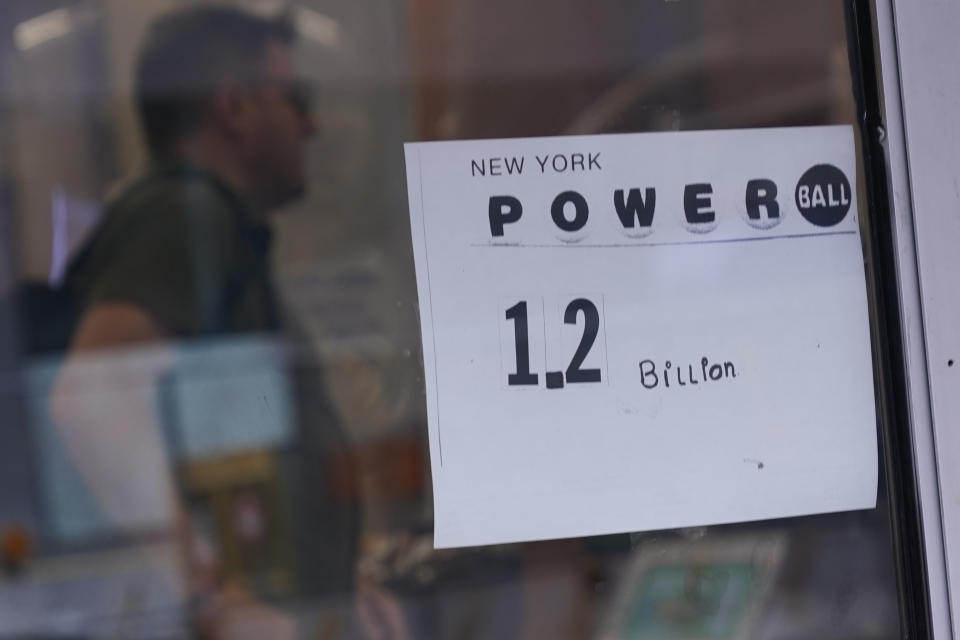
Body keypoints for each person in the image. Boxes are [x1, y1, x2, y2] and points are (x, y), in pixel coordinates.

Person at [49, 6, 351, 637]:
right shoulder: (184, 216)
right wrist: (214, 600)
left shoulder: (214, 228)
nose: (312, 124)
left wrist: (346, 586)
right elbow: (92, 402)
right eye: (296, 99)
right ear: (235, 108)